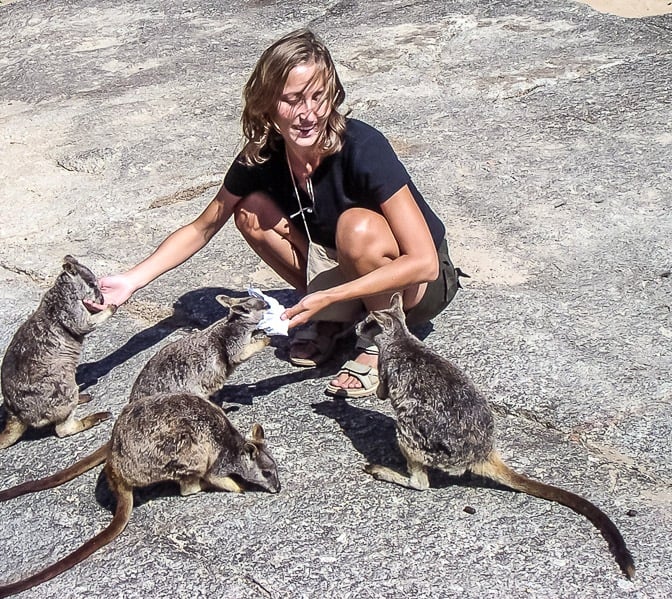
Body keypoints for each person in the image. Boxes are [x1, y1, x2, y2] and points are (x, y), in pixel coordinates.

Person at [93, 28, 460, 398]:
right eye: (292, 100)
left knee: (357, 228)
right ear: (267, 104)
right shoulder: (264, 155)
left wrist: (331, 296)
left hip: (417, 287)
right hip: (343, 265)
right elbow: (202, 228)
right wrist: (132, 281)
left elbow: (425, 262)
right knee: (250, 211)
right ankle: (335, 319)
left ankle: (379, 341)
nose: (308, 114)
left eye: (319, 96)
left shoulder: (363, 148)